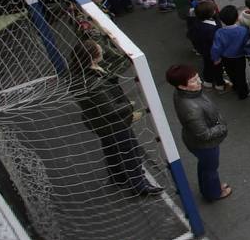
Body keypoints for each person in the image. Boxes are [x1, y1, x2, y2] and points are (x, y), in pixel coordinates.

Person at [72, 41, 162, 196]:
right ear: (93, 58)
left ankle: (118, 176)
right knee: (130, 151)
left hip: (99, 123)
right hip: (114, 123)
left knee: (111, 148)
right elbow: (109, 109)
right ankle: (140, 185)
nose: (102, 49)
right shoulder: (94, 83)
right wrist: (128, 106)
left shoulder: (81, 74)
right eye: (99, 49)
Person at [166, 63, 231, 200]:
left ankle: (207, 188)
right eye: (194, 80)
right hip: (205, 145)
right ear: (182, 86)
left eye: (197, 77)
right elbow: (204, 134)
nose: (199, 81)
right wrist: (221, 127)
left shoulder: (184, 93)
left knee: (205, 166)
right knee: (210, 168)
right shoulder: (191, 109)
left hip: (194, 140)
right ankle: (213, 193)